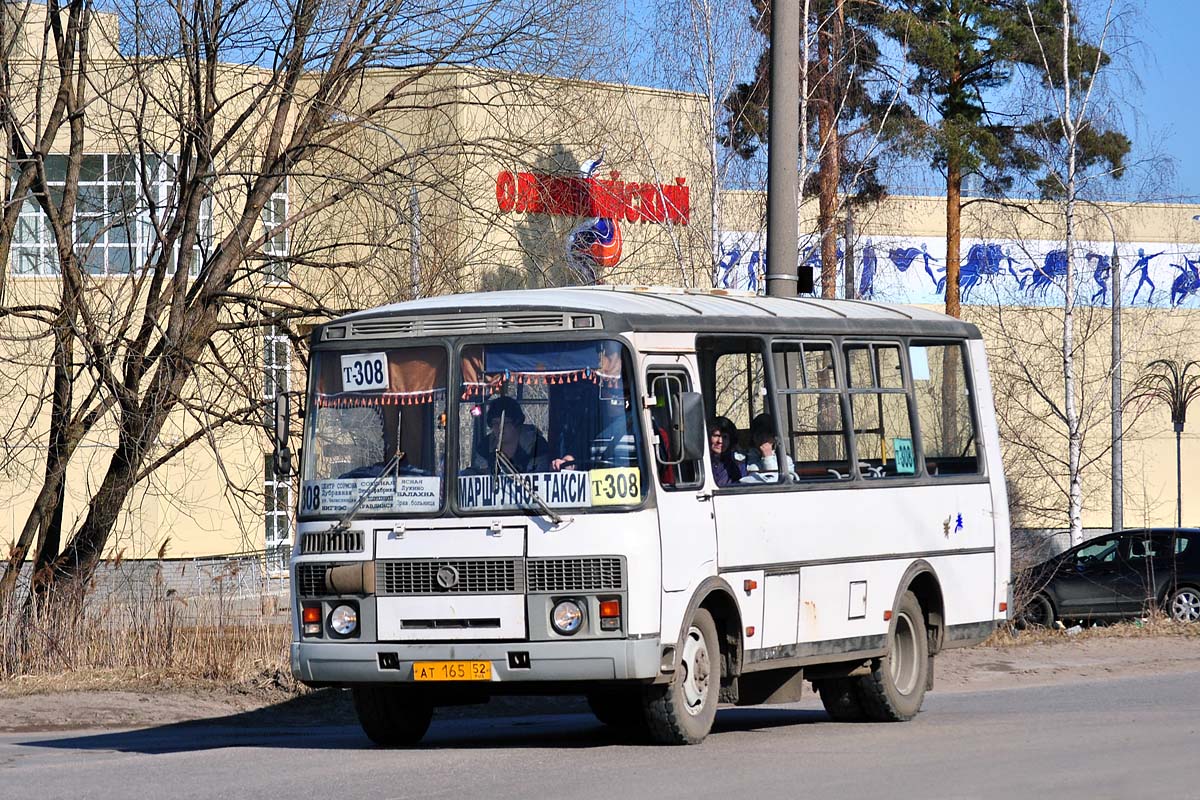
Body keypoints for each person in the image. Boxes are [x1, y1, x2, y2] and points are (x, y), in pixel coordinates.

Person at [474, 395, 551, 473]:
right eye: (495, 423)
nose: (500, 428)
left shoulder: (536, 445)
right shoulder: (485, 446)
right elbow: (478, 473)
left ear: (517, 423)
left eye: (505, 422)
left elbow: (541, 476)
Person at [739, 413, 795, 483]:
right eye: (759, 434)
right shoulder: (745, 458)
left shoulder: (785, 460)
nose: (763, 438)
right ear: (753, 436)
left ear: (774, 438)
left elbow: (779, 482)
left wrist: (768, 457)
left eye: (768, 434)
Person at [708, 416, 741, 486]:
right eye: (716, 436)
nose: (720, 441)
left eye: (725, 437)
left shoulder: (736, 465)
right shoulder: (701, 462)